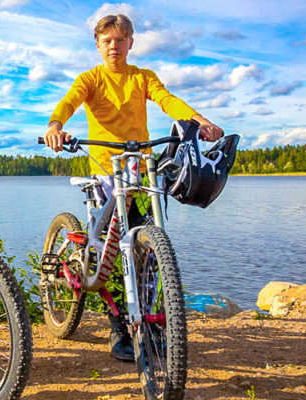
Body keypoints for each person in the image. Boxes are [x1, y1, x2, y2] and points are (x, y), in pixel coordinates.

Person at [42, 14, 223, 362]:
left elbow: (167, 100)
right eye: (107, 40)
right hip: (104, 172)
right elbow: (69, 101)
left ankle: (150, 319)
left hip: (138, 170)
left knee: (147, 247)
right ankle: (118, 325)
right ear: (98, 45)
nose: (114, 46)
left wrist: (199, 122)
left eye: (120, 39)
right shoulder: (91, 79)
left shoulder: (142, 77)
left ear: (130, 43)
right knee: (107, 248)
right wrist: (56, 125)